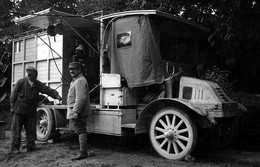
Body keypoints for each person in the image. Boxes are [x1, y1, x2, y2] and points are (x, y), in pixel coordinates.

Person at [9, 66, 62, 153]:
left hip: (31, 110)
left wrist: (56, 96)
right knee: (16, 130)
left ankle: (31, 146)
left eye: (36, 75)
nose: (35, 77)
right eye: (33, 75)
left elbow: (47, 90)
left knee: (31, 129)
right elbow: (13, 96)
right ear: (29, 75)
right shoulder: (21, 82)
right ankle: (14, 148)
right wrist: (12, 108)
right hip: (19, 110)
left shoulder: (37, 84)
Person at [67, 62, 92, 160]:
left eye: (74, 69)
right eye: (70, 69)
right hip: (78, 110)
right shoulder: (76, 80)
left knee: (81, 130)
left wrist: (76, 112)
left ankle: (83, 153)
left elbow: (81, 98)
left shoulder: (80, 81)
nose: (71, 71)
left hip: (79, 111)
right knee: (80, 130)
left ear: (79, 70)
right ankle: (83, 152)